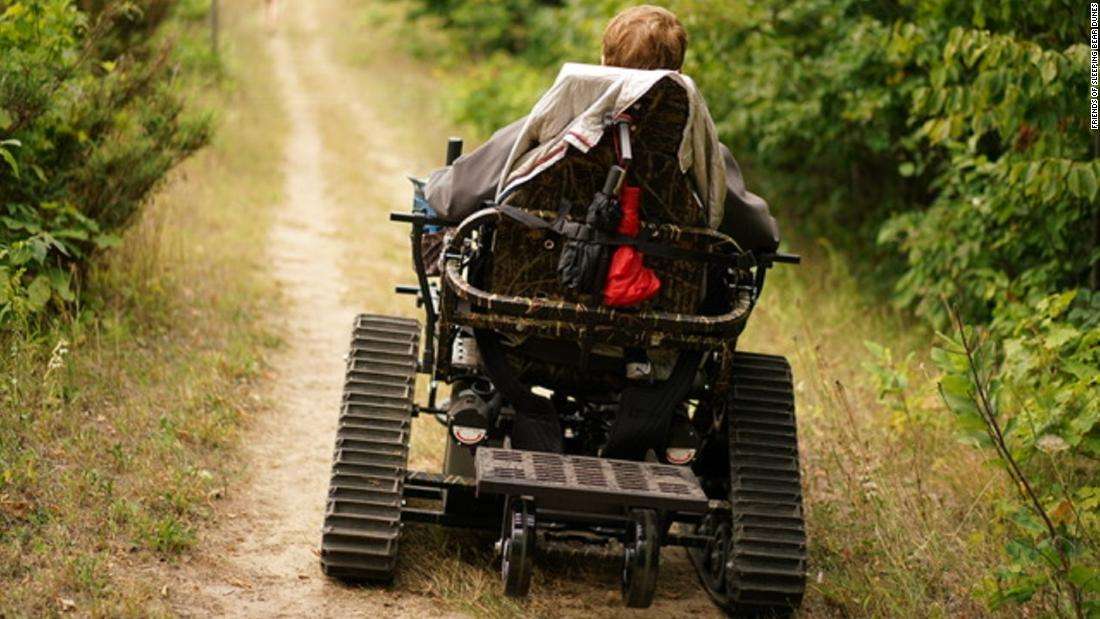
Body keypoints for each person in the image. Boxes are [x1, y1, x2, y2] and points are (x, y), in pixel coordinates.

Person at [425, 5, 780, 254]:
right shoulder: (704, 157)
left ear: (604, 61)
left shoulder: (547, 133)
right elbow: (758, 235)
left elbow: (454, 197)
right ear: (677, 70)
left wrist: (434, 186)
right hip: (656, 315)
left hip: (524, 293)